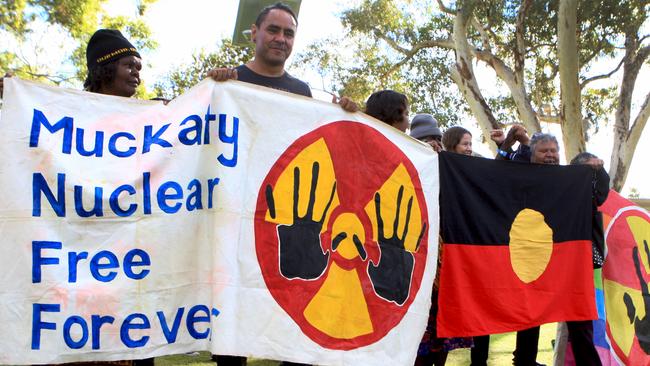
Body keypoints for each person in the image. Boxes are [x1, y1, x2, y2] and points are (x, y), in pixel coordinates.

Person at [208, 2, 357, 112]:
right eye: (273, 30)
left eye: (288, 34)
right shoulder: (228, 81)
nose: (280, 39)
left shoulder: (302, 91)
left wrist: (341, 115)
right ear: (254, 33)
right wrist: (214, 88)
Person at [410, 116, 472, 366]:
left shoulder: (450, 169)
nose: (432, 143)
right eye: (425, 140)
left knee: (441, 326)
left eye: (436, 138)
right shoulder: (411, 165)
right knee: (420, 329)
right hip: (416, 259)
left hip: (445, 262)